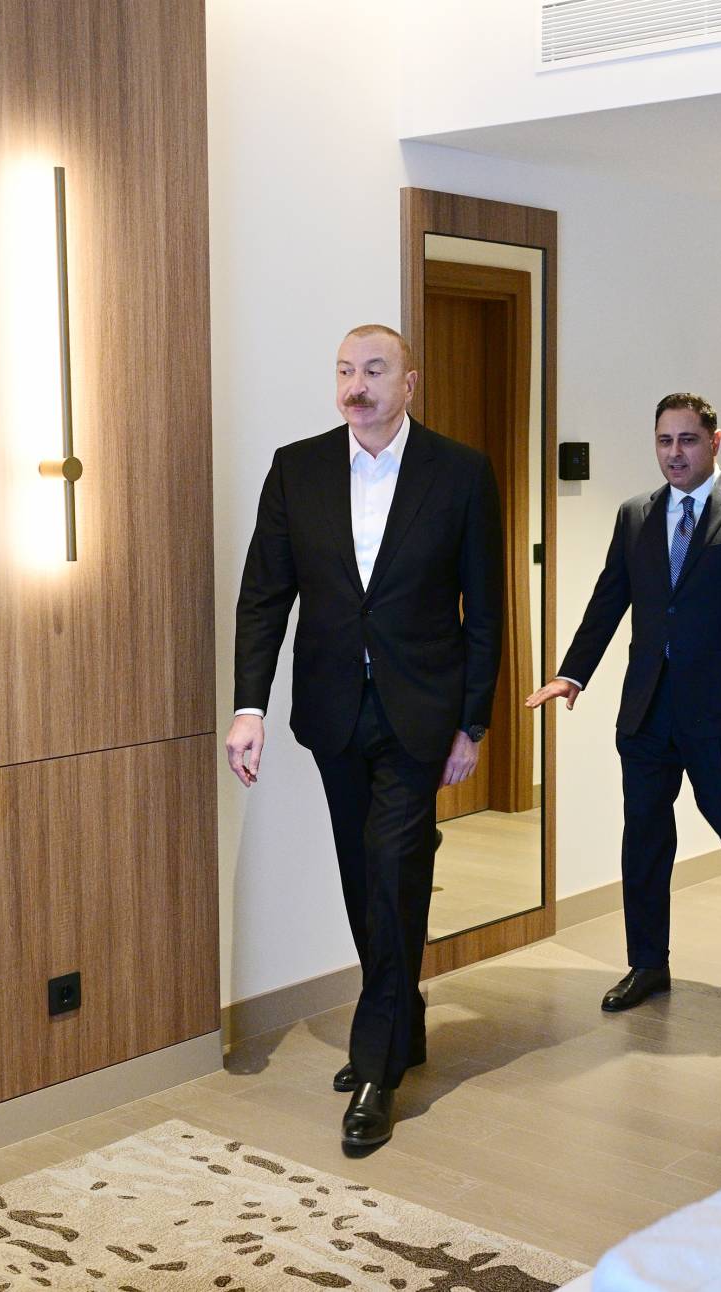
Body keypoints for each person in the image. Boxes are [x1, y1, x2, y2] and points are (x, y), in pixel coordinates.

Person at [228, 325, 502, 1152]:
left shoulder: (460, 472)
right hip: (335, 708)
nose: (357, 385)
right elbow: (264, 598)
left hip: (422, 711)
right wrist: (249, 708)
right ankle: (403, 1017)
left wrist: (474, 721)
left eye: (375, 370)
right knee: (362, 871)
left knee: (393, 866)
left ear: (408, 382)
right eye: (346, 370)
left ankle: (377, 1066)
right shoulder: (298, 468)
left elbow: (485, 609)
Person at [527, 392, 721, 1011]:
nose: (674, 453)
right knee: (645, 835)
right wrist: (573, 673)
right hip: (647, 706)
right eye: (664, 441)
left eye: (687, 440)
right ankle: (648, 963)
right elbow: (608, 600)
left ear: (714, 441)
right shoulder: (635, 515)